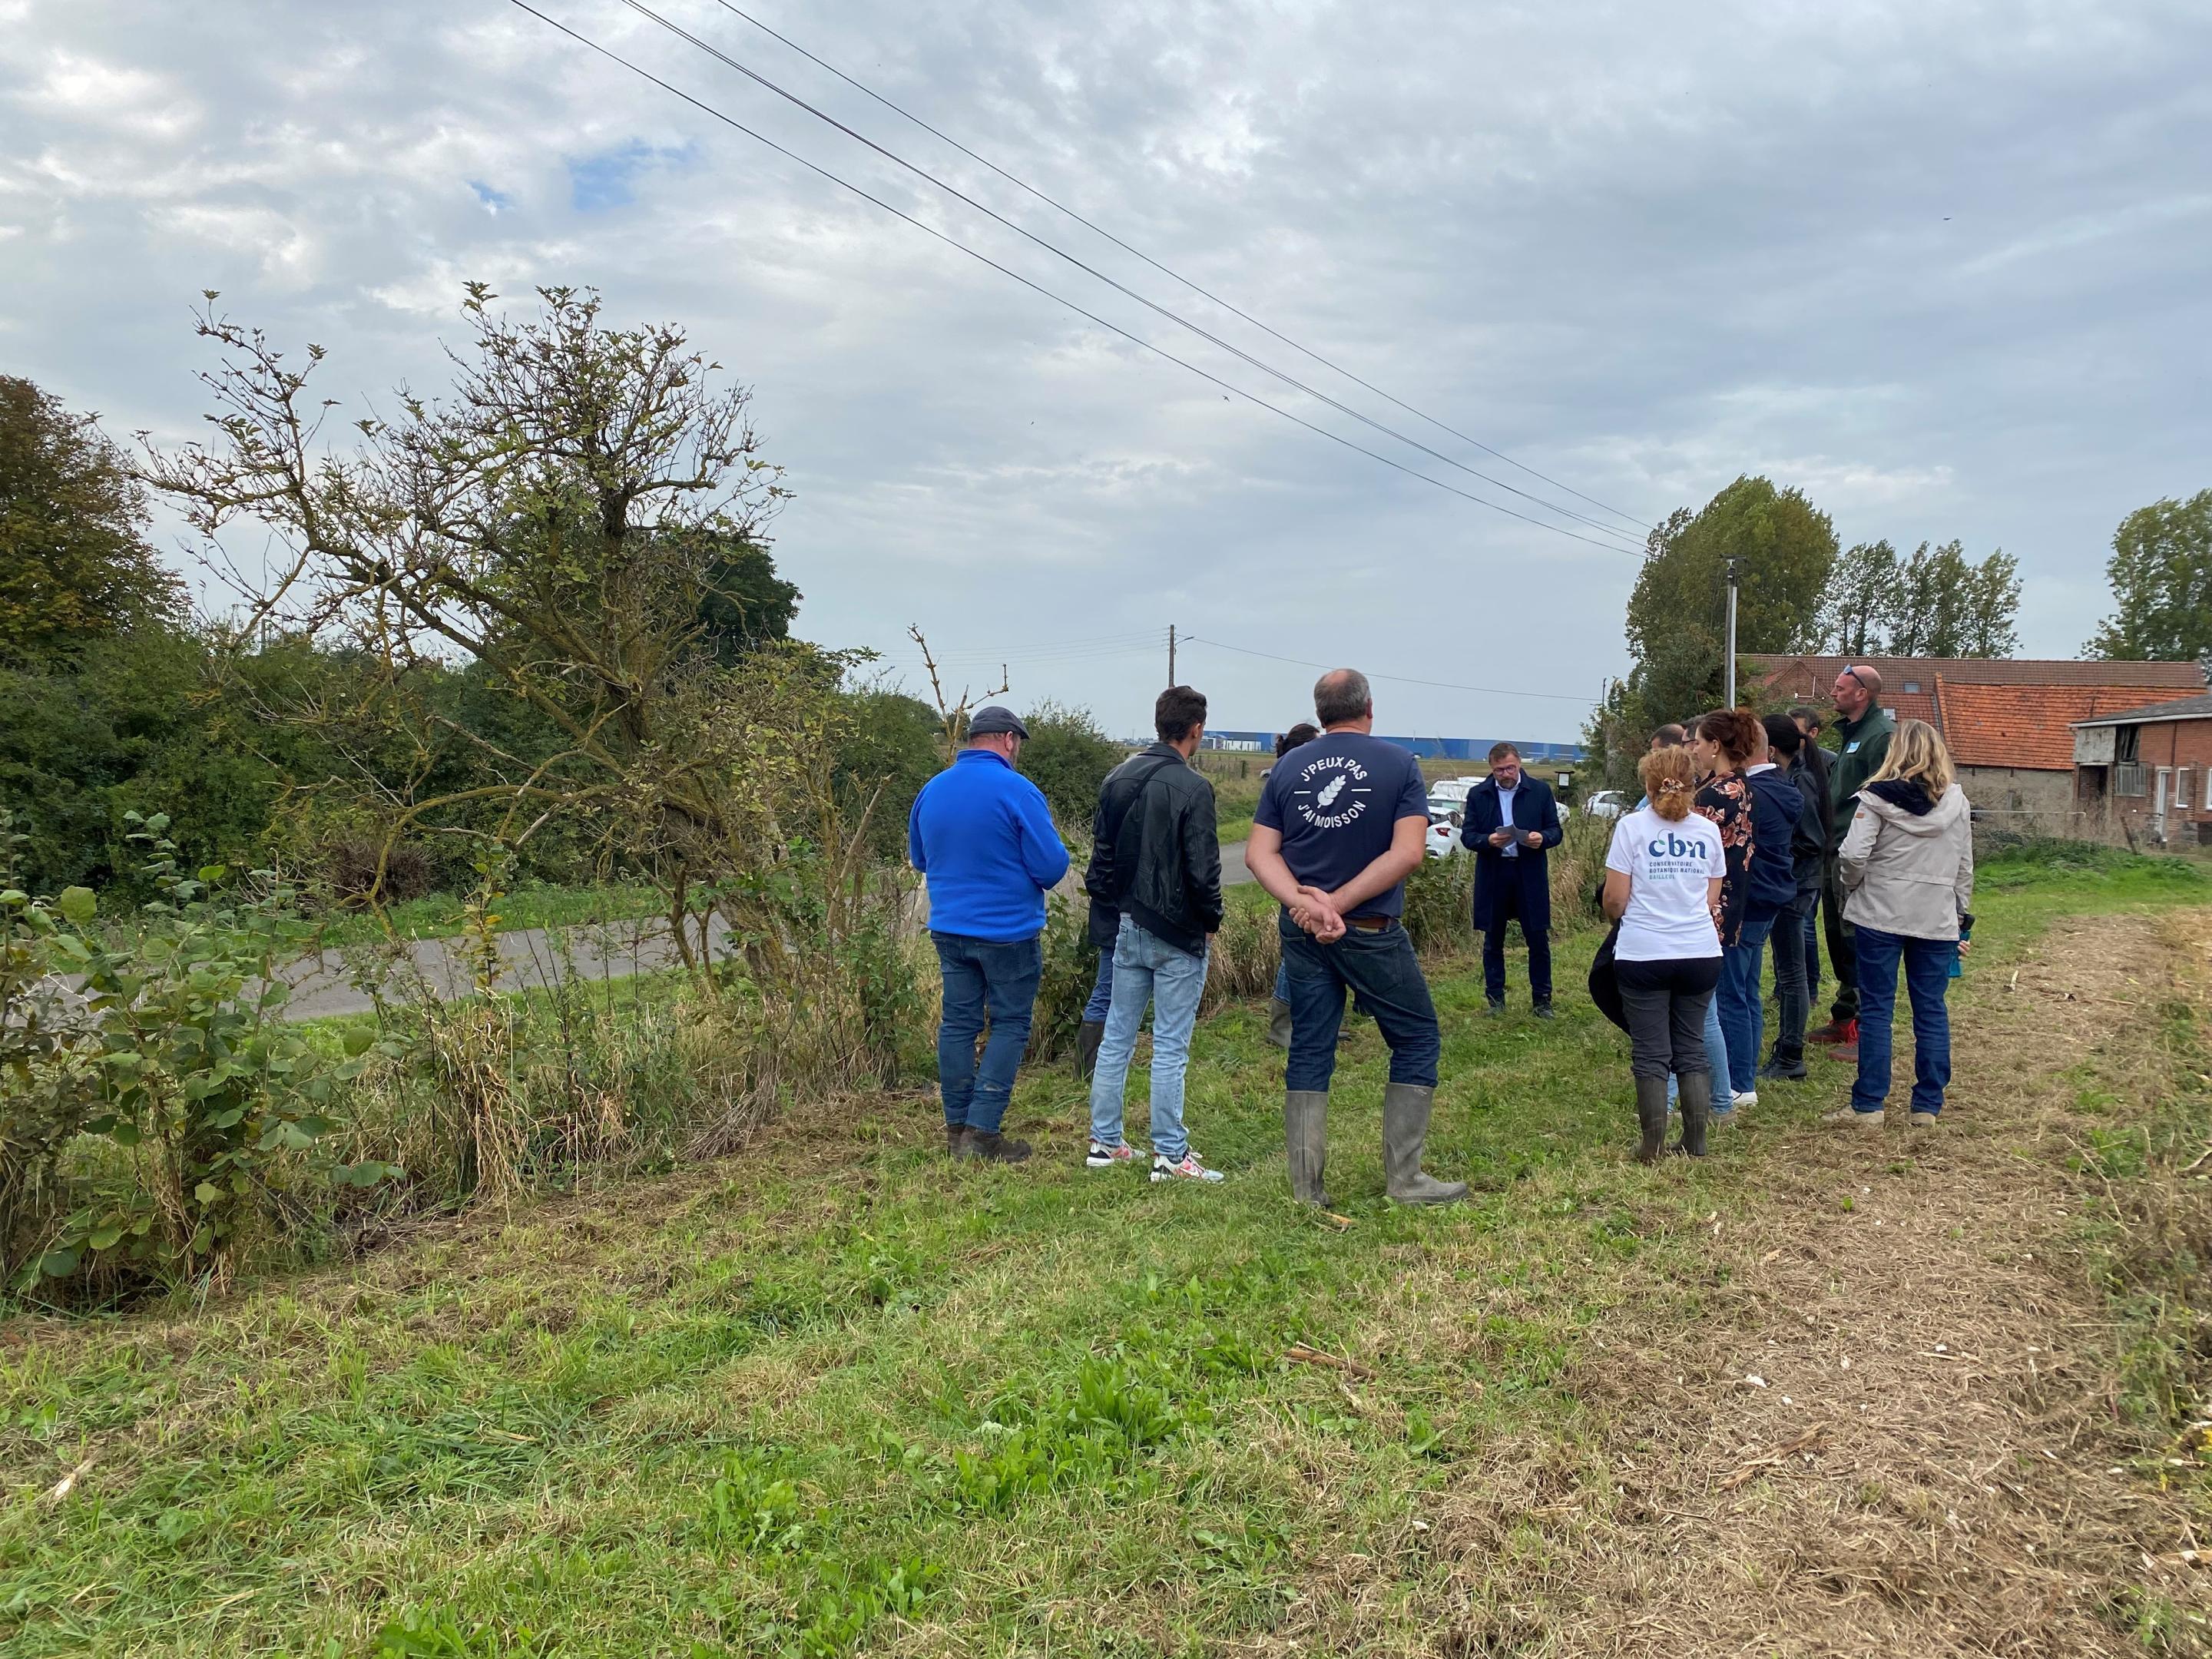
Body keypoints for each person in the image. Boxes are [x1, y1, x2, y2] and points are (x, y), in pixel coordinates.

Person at [1247, 669, 1465, 1207]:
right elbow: (1408, 853)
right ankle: (1405, 1180)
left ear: (1321, 713)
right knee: (1416, 1037)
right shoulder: (1399, 764)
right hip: (1370, 929)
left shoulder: (1288, 767)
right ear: (1369, 707)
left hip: (1302, 933)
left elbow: (1258, 854)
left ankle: (1307, 1189)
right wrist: (1338, 907)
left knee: (1310, 1045)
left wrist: (1306, 905)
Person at [908, 706, 1070, 1163]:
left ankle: (956, 1130)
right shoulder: (1019, 791)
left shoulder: (932, 790)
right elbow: (1051, 868)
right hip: (1007, 933)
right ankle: (982, 1135)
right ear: (1008, 740)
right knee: (1011, 1024)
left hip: (949, 928)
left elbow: (920, 858)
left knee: (958, 1025)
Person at [1083, 685, 1228, 1182]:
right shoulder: (1194, 788)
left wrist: (1120, 908)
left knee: (1118, 1037)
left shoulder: (1116, 777)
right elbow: (1204, 870)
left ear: (1158, 722)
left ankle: (1105, 1143)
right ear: (1196, 730)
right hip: (1179, 931)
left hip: (1127, 926)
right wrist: (1210, 922)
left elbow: (1100, 866)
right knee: (1169, 1045)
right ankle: (1170, 1154)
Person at [1824, 719, 1974, 1130]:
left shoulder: (1875, 797)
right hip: (1935, 916)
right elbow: (1964, 866)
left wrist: (1854, 886)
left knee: (1877, 1009)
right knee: (1931, 1009)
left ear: (1895, 752)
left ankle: (1869, 1104)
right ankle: (1927, 1105)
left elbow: (1852, 854)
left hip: (1880, 912)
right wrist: (1959, 915)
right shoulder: (1957, 803)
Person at [1601, 742, 1726, 1162]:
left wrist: (1621, 917)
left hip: (1644, 952)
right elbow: (1711, 897)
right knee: (1691, 1047)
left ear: (1649, 785)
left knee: (1651, 1051)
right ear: (1694, 783)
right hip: (1700, 952)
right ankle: (1695, 1141)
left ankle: (1652, 1145)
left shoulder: (1631, 827)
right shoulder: (1707, 831)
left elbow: (1615, 898)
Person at [1810, 667, 1896, 1056]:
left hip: (1858, 852)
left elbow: (1885, 799)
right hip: (1835, 848)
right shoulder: (1852, 735)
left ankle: (1864, 1028)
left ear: (1862, 694)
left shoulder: (1881, 736)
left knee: (1857, 936)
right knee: (1837, 935)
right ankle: (1844, 1015)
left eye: (1840, 688)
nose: (1832, 693)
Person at [1462, 742, 1564, 1017]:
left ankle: (1542, 1001)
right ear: (1491, 769)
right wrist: (1488, 840)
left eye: (1510, 768)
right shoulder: (1478, 794)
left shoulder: (1540, 791)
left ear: (1519, 764)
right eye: (1499, 770)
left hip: (1529, 871)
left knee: (1538, 937)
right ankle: (1495, 1000)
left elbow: (1555, 830)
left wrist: (1543, 838)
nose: (1506, 774)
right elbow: (1468, 836)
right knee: (1493, 939)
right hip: (1494, 873)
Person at [1691, 710, 1758, 1117]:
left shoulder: (1714, 794)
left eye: (1699, 742)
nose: (1694, 750)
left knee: (1711, 1003)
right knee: (1735, 993)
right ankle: (1734, 1082)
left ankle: (1724, 1086)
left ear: (1715, 746)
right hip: (1733, 900)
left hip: (1710, 904)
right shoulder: (1742, 786)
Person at [1758, 714, 1827, 1081]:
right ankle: (1788, 1052)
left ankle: (1790, 1054)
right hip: (1793, 881)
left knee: (1791, 971)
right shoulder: (1794, 777)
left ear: (1771, 749)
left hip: (1796, 884)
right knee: (1788, 969)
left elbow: (1812, 841)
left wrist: (1771, 851)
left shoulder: (1801, 782)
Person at [1263, 721, 1322, 1048]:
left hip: (1313, 875)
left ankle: (1313, 1021)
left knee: (1318, 953)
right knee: (1295, 953)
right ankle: (1281, 1026)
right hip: (1297, 880)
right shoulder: (1289, 782)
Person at [1790, 705, 1831, 1008]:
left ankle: (1809, 987)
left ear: (1812, 734)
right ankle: (1788, 985)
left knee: (1804, 926)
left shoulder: (1825, 765)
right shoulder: (1787, 767)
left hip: (1809, 863)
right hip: (1797, 863)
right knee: (1790, 928)